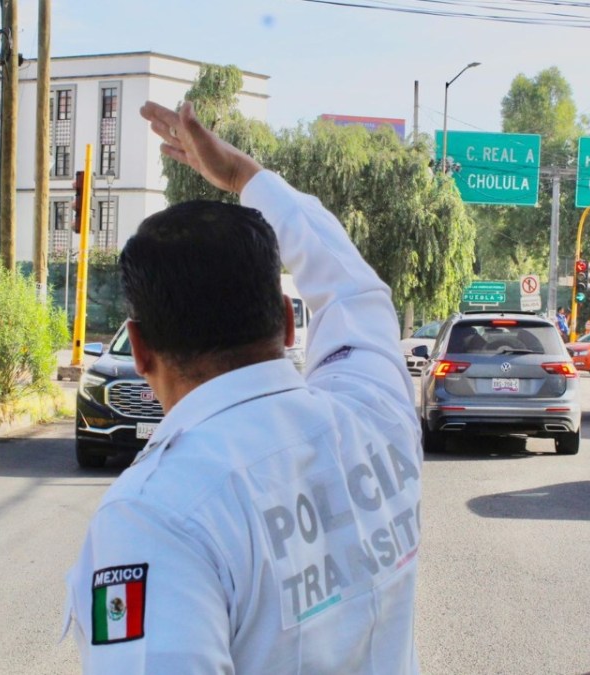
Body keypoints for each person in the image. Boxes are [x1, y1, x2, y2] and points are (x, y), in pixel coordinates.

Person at [63, 101, 421, 673]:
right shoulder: (374, 412)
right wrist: (244, 178)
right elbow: (354, 293)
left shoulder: (154, 515)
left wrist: (242, 179)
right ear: (284, 320)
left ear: (139, 348)